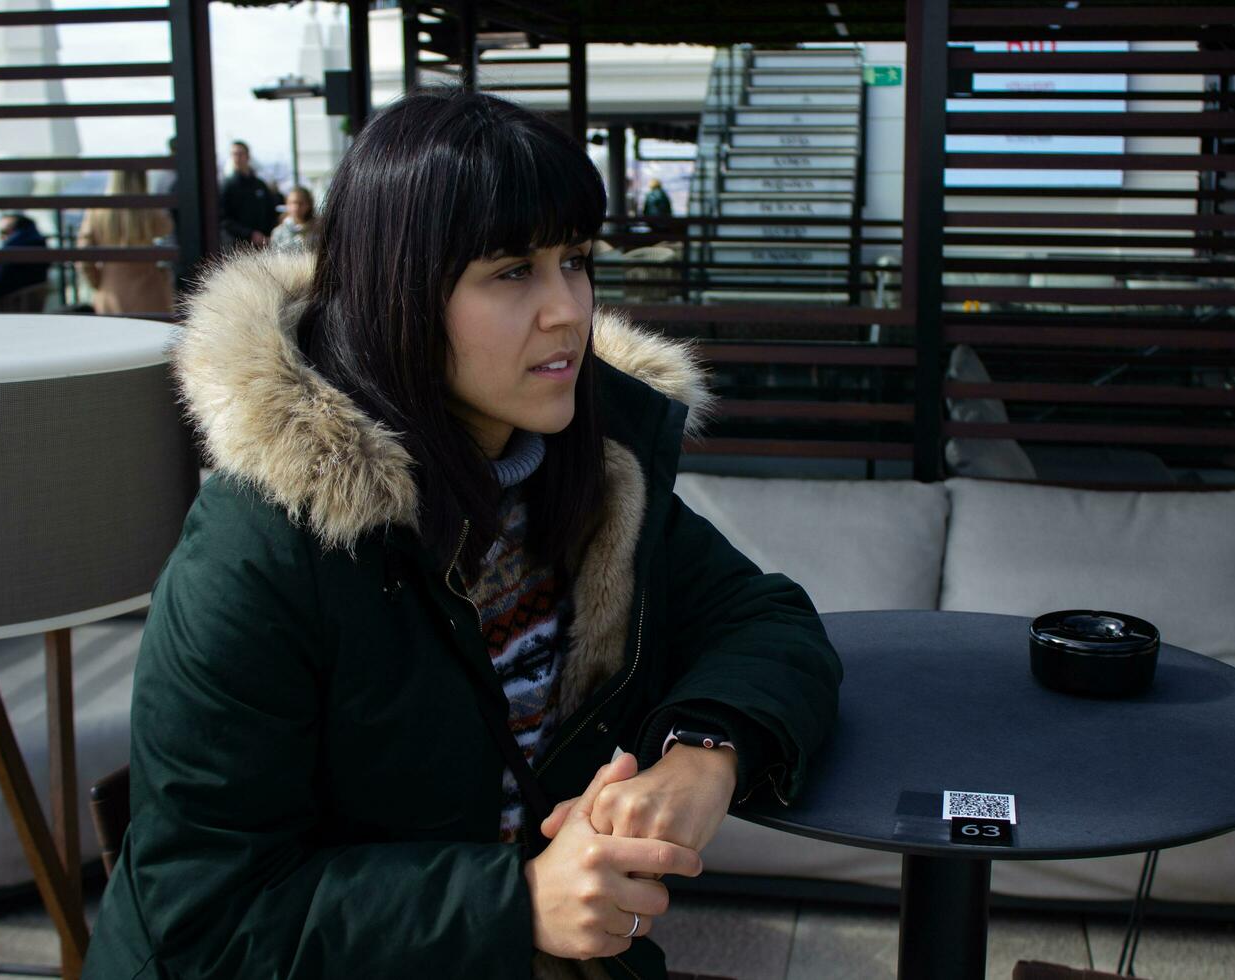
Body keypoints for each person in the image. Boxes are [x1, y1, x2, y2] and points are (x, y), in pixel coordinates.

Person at [83, 91, 840, 980]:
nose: (567, 310)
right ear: (399, 292)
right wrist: (516, 904)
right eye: (512, 271)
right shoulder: (263, 549)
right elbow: (205, 917)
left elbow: (767, 620)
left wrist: (704, 755)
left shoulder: (589, 470)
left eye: (576, 261)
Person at [75, 171, 175, 314]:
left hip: (110, 293)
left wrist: (98, 283)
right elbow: (168, 233)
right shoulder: (152, 212)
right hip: (150, 294)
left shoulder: (97, 211)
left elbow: (83, 257)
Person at [219, 139, 279, 248]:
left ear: (247, 156)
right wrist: (249, 234)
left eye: (240, 154)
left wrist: (267, 235)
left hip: (263, 243)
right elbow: (224, 219)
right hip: (238, 245)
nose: (237, 158)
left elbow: (270, 211)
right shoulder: (227, 186)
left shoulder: (260, 185)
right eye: (234, 154)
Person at [271, 184, 319, 253]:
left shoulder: (318, 231)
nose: (296, 207)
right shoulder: (279, 233)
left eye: (300, 203)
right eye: (292, 203)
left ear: (308, 205)